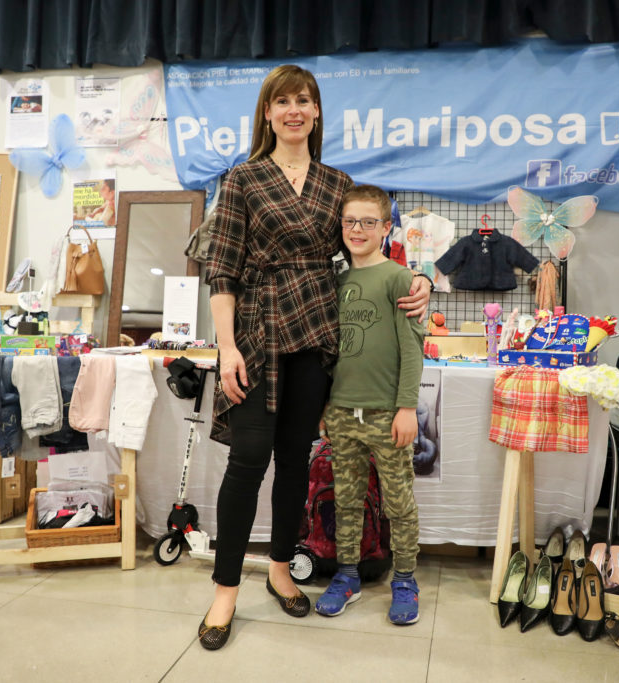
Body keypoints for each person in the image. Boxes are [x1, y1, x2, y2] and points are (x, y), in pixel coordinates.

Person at [200, 64, 432, 650]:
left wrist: (420, 280)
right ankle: (225, 590)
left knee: (295, 464)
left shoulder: (336, 182)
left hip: (316, 337)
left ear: (317, 110)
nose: (294, 110)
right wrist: (226, 348)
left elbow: (365, 253)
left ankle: (281, 568)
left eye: (304, 100)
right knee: (247, 461)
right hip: (256, 336)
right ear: (268, 112)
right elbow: (221, 271)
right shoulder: (243, 179)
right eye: (283, 101)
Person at [314, 185, 424, 625]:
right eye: (349, 221)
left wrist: (407, 407)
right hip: (342, 413)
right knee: (347, 499)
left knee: (398, 502)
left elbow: (412, 349)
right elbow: (329, 353)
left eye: (368, 222)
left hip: (387, 414)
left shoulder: (399, 279)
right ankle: (347, 575)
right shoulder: (335, 280)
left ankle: (405, 580)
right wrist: (326, 407)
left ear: (386, 228)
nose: (357, 229)